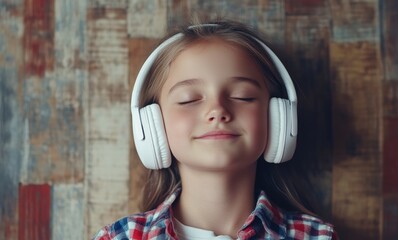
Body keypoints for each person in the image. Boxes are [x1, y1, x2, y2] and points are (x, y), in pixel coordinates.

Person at [93, 20, 337, 240]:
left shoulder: (317, 237)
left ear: (278, 117)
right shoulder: (118, 238)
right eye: (188, 99)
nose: (217, 110)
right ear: (151, 122)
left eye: (243, 96)